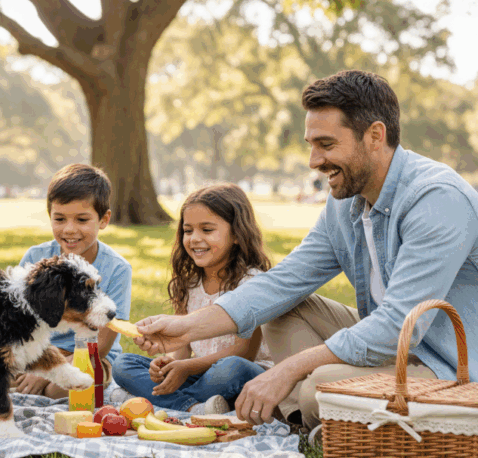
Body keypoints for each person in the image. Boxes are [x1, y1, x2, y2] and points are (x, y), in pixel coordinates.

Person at [134, 69, 478, 430]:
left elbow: (398, 326)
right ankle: (312, 416)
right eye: (311, 145)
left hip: (448, 363)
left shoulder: (436, 200)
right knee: (279, 309)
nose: (314, 161)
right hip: (392, 347)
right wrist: (186, 328)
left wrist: (290, 368)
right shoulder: (345, 203)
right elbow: (281, 283)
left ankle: (308, 410)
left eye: (326, 145)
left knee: (317, 388)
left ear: (375, 136)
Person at [0, 163, 132, 398]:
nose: (69, 229)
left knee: (58, 388)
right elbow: (14, 322)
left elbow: (103, 343)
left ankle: (27, 386)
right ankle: (25, 385)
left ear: (103, 220)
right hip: (36, 350)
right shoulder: (36, 258)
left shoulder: (118, 268)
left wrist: (50, 370)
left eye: (82, 219)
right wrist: (34, 364)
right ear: (50, 217)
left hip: (91, 356)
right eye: (60, 219)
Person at [111, 184, 273, 414]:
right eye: (188, 231)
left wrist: (186, 367)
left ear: (237, 234)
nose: (195, 239)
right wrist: (167, 364)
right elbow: (181, 348)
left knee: (230, 369)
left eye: (207, 230)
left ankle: (152, 399)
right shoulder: (188, 284)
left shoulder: (251, 283)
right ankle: (195, 406)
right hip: (198, 373)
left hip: (243, 373)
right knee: (123, 365)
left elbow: (244, 352)